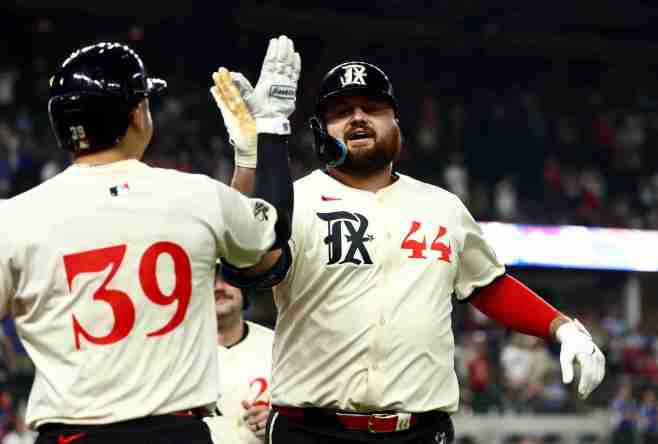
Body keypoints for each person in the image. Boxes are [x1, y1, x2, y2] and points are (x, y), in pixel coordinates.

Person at [215, 58, 605, 443]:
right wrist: (257, 153)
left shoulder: (443, 207)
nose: (357, 118)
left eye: (372, 108)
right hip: (312, 429)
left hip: (419, 432)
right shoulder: (294, 199)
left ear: (396, 123)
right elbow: (251, 260)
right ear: (319, 130)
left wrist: (561, 326)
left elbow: (487, 284)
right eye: (341, 111)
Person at [0, 37, 299, 444]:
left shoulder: (14, 218)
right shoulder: (195, 195)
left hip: (71, 434)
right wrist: (270, 130)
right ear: (138, 114)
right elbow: (271, 230)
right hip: (172, 430)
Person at [204, 264, 274, 444]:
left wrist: (278, 425)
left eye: (227, 278)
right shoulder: (181, 354)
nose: (219, 287)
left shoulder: (278, 345)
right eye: (209, 280)